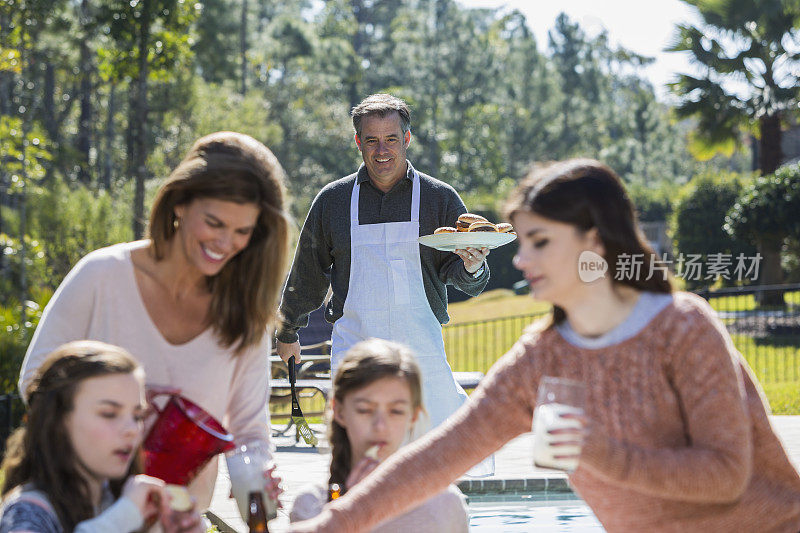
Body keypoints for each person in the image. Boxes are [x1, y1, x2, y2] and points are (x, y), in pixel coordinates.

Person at [289, 158, 800, 532]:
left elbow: (728, 475)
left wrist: (602, 454)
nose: (520, 260)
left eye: (540, 242)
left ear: (593, 242)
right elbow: (438, 458)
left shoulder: (683, 328)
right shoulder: (542, 357)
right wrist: (333, 525)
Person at [18, 131, 290, 510]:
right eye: (214, 222)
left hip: (179, 518)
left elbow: (249, 431)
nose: (225, 243)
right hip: (78, 513)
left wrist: (259, 471)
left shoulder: (246, 313)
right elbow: (35, 380)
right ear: (179, 203)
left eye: (242, 231)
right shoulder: (102, 275)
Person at [276, 93, 491, 441]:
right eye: (372, 141)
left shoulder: (440, 198)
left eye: (391, 139)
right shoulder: (334, 200)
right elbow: (307, 273)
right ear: (358, 142)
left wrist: (473, 267)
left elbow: (466, 277)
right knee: (358, 450)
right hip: (356, 349)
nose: (382, 151)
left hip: (422, 351)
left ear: (406, 139)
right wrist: (288, 331)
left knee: (433, 453)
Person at [1, 340, 203, 533]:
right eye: (109, 413)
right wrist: (122, 518)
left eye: (137, 416)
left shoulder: (120, 501)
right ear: (58, 421)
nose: (132, 429)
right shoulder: (27, 512)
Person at [289, 338, 468, 532]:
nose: (380, 426)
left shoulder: (444, 504)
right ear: (339, 411)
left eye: (396, 411)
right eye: (365, 410)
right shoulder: (311, 506)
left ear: (413, 416)